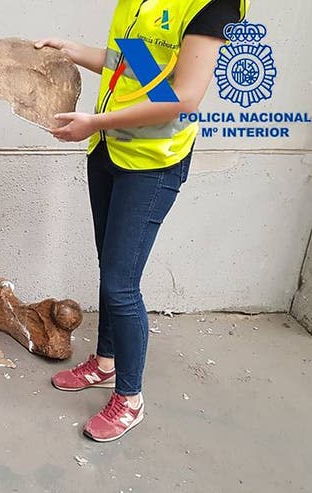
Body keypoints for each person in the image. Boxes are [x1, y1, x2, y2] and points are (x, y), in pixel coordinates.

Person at [35, 0, 246, 442]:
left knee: (120, 285)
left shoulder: (211, 4)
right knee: (109, 268)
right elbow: (138, 67)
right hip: (109, 150)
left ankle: (129, 399)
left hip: (153, 163)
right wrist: (70, 49)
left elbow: (183, 99)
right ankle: (106, 363)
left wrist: (95, 121)